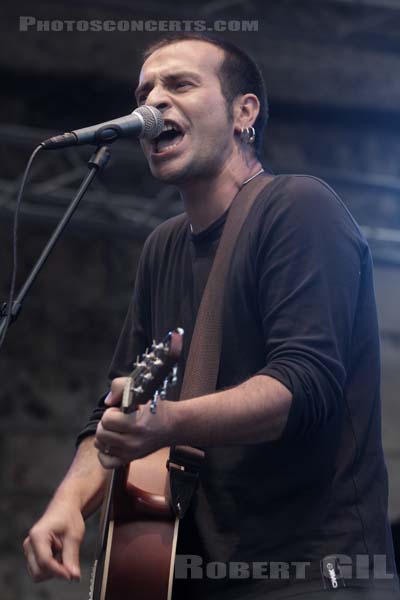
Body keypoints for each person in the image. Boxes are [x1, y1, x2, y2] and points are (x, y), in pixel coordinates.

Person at [23, 33, 399, 599]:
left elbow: (305, 386)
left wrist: (170, 421)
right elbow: (116, 406)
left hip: (311, 573)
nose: (152, 101)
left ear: (244, 112)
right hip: (195, 570)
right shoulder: (163, 247)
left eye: (178, 84)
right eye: (145, 88)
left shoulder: (298, 209)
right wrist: (69, 502)